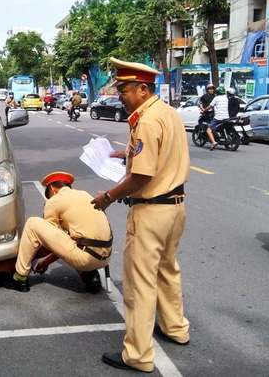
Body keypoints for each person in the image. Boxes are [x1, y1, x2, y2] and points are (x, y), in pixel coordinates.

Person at [91, 57, 190, 374]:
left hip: (150, 212)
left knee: (140, 284)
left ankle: (137, 355)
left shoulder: (146, 121)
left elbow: (142, 177)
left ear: (143, 89)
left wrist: (108, 196)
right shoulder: (167, 113)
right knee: (167, 271)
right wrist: (127, 154)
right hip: (175, 208)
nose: (120, 94)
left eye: (124, 88)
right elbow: (161, 154)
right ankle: (176, 328)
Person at [1, 171, 112, 293]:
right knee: (76, 238)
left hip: (85, 258)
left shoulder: (55, 201)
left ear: (52, 189)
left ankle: (19, 277)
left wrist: (19, 258)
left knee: (32, 223)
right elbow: (63, 241)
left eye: (48, 194)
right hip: (105, 256)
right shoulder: (85, 195)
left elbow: (47, 242)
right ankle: (90, 275)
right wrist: (46, 262)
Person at [203, 85, 229, 150]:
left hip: (218, 118)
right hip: (226, 117)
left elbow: (210, 106)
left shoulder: (216, 98)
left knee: (208, 130)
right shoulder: (226, 98)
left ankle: (214, 142)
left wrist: (204, 110)